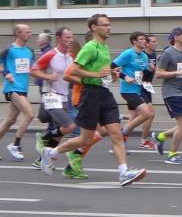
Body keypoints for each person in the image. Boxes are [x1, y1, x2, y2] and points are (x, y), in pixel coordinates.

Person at [39, 14, 146, 186]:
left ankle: (124, 173)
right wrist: (96, 75)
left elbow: (104, 74)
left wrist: (112, 75)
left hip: (104, 93)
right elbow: (73, 71)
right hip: (90, 95)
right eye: (104, 25)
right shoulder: (90, 47)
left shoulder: (104, 47)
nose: (108, 27)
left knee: (116, 134)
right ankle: (51, 153)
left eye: (109, 24)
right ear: (94, 27)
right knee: (85, 139)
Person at [29, 27, 77, 169]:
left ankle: (41, 160)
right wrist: (48, 76)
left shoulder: (71, 56)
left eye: (71, 37)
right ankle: (42, 138)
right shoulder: (50, 54)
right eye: (67, 37)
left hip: (63, 96)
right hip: (50, 95)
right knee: (69, 126)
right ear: (59, 38)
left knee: (59, 132)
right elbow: (33, 70)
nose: (71, 40)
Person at [153, 27, 182, 164]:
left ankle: (161, 136)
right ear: (176, 37)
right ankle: (172, 155)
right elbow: (158, 74)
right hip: (170, 93)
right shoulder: (168, 53)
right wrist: (176, 73)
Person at [112, 31, 156, 150]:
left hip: (137, 89)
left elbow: (144, 70)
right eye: (141, 39)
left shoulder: (144, 56)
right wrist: (124, 76)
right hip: (127, 90)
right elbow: (112, 66)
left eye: (145, 39)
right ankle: (123, 134)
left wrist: (151, 68)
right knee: (148, 113)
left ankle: (119, 143)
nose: (144, 41)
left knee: (133, 116)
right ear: (134, 41)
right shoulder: (128, 54)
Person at [0, 23, 35, 161]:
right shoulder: (9, 49)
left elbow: (33, 68)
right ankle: (15, 145)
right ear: (18, 33)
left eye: (30, 31)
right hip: (12, 87)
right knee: (30, 113)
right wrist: (6, 73)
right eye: (27, 31)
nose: (30, 34)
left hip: (23, 88)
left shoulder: (29, 51)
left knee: (10, 120)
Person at [138, 35, 158, 150]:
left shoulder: (154, 55)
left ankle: (120, 120)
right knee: (150, 113)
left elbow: (154, 69)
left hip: (148, 86)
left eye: (156, 41)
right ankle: (144, 141)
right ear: (147, 44)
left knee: (136, 116)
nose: (156, 43)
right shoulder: (142, 55)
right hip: (140, 86)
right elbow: (138, 70)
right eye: (153, 42)